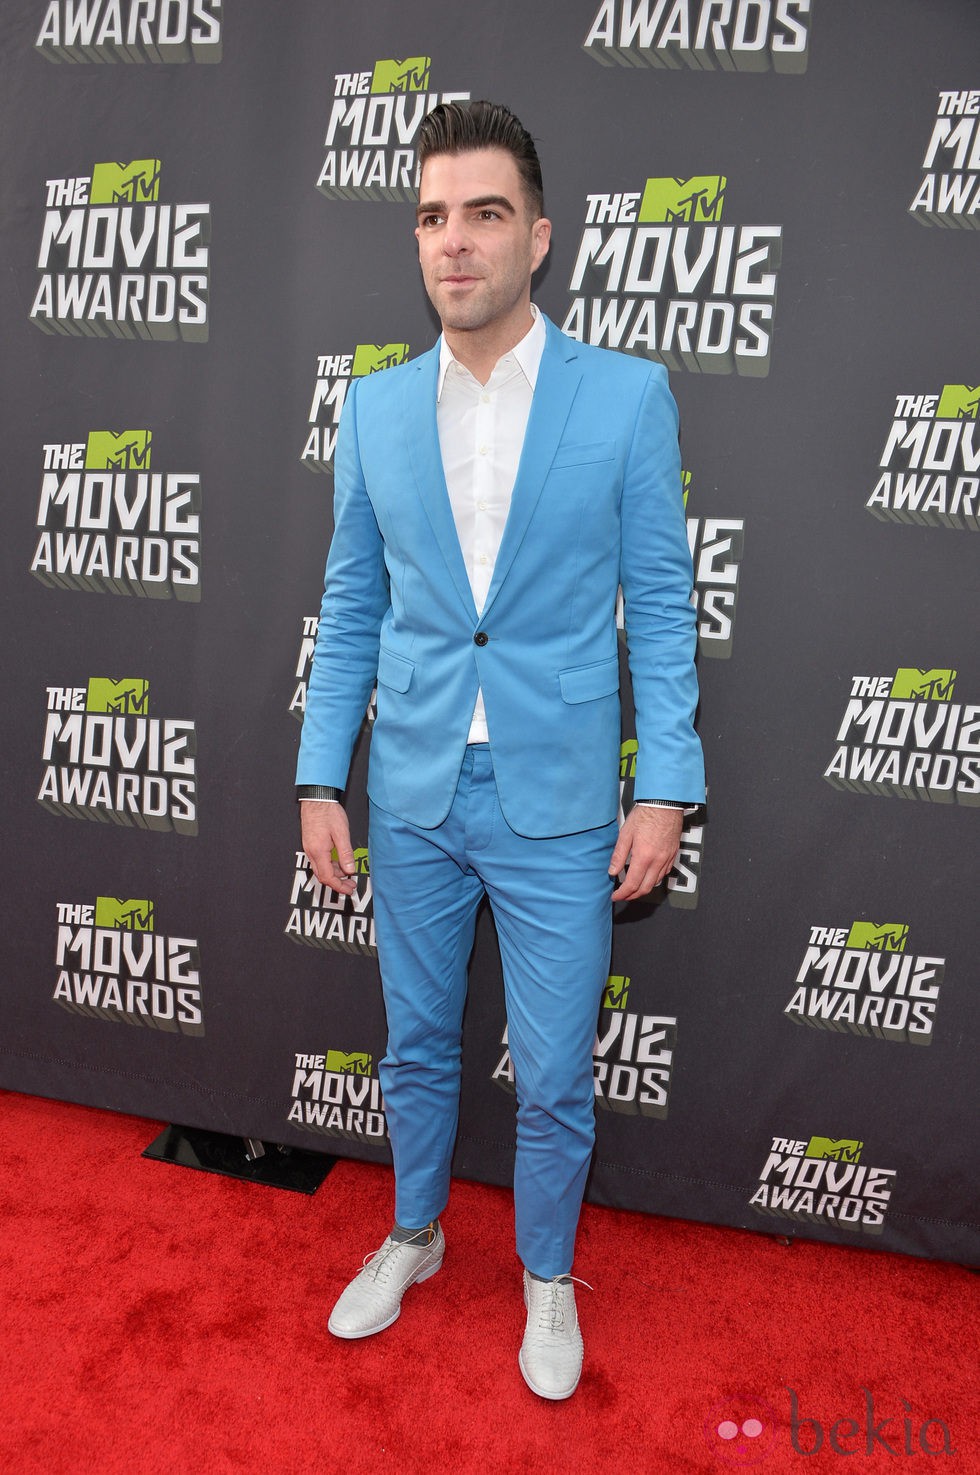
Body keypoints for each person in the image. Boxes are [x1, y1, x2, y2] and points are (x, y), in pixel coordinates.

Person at [297, 100, 705, 1401]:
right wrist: (321, 776)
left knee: (555, 1075)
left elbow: (664, 599)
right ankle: (413, 1235)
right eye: (431, 216)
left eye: (483, 215)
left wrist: (666, 787)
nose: (453, 243)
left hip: (561, 802)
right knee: (414, 1045)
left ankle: (544, 1278)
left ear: (539, 236)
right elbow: (352, 602)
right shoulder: (373, 411)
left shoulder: (628, 399)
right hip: (412, 790)